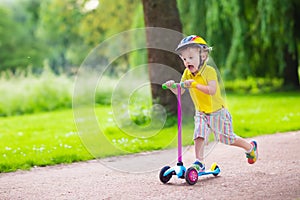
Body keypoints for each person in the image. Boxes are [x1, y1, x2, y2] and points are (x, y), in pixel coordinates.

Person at [164, 35, 258, 172]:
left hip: (217, 112)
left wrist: (195, 85)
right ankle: (199, 162)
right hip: (201, 112)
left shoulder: (210, 72)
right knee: (199, 134)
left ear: (203, 56)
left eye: (191, 58)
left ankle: (250, 147)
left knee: (227, 138)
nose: (187, 61)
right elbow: (181, 91)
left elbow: (212, 90)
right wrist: (173, 86)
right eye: (184, 59)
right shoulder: (187, 73)